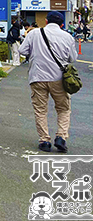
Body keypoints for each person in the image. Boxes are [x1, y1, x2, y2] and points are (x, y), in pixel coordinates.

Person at [19, 11, 76, 153]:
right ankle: (61, 137)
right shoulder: (68, 37)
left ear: (46, 21)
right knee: (63, 109)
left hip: (37, 77)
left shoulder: (34, 34)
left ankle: (44, 140)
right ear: (62, 24)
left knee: (40, 110)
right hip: (59, 79)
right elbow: (72, 58)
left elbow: (22, 50)